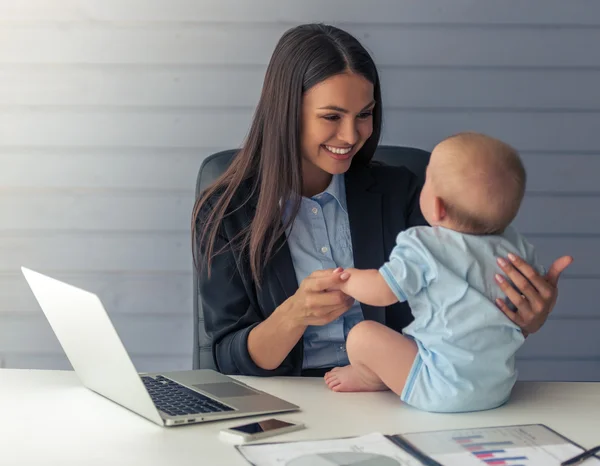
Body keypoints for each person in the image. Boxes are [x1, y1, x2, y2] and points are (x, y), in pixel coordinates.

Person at [192, 23, 573, 378]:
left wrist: (523, 319)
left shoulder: (406, 193)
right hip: (286, 405)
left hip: (400, 394)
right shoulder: (225, 212)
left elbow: (462, 312)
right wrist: (294, 314)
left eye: (365, 114)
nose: (350, 135)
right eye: (331, 116)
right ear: (286, 112)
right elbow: (225, 359)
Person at [324, 132, 556, 412]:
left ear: (437, 206)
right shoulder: (516, 246)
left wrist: (346, 279)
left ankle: (369, 375)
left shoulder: (424, 244)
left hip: (438, 385)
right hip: (496, 386)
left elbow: (382, 290)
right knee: (417, 337)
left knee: (362, 335)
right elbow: (528, 298)